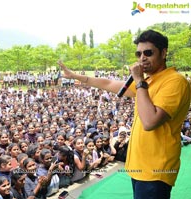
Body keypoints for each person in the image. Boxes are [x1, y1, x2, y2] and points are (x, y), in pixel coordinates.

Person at [58, 29, 191, 199]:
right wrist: (75, 75)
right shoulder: (150, 81)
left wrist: (139, 81)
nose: (142, 58)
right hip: (140, 167)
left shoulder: (175, 81)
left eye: (148, 52)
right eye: (139, 53)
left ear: (164, 52)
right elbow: (109, 82)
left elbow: (150, 122)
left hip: (156, 170)